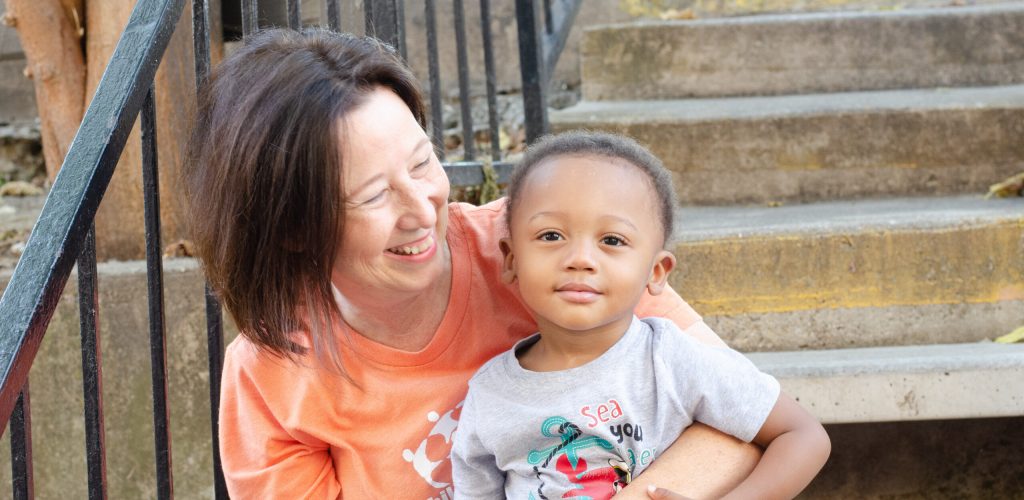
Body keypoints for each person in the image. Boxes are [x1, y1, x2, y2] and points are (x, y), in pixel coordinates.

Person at [184, 28, 766, 499]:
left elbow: (741, 422)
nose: (422, 208)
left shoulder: (550, 248)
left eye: (421, 164)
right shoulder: (271, 376)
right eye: (372, 196)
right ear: (292, 230)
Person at [449, 131, 831, 500]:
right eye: (551, 235)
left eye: (611, 240)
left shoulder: (670, 360)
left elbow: (802, 435)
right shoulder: (490, 395)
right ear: (512, 258)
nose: (580, 259)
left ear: (656, 271)